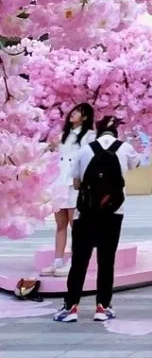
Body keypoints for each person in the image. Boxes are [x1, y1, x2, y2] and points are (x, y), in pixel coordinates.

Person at [52, 117, 140, 324]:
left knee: (80, 262)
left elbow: (75, 183)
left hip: (86, 213)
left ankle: (71, 307)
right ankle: (103, 307)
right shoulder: (126, 148)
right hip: (114, 212)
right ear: (117, 132)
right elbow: (134, 165)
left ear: (97, 131)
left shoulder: (84, 150)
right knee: (106, 261)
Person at [41, 103, 95, 277]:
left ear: (85, 117)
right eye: (73, 111)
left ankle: (74, 261)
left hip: (75, 185)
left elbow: (90, 161)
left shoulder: (89, 136)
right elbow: (49, 156)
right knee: (60, 225)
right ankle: (57, 260)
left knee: (76, 225)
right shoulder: (62, 135)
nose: (73, 114)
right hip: (59, 183)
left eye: (78, 112)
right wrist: (50, 146)